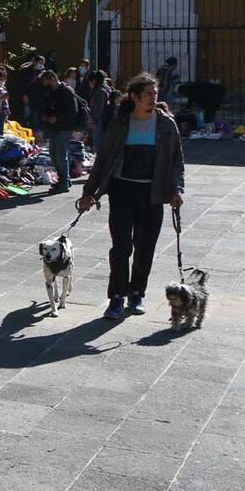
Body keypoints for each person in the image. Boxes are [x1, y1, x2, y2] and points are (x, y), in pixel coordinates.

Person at [79, 73, 185, 320]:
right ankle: (116, 298)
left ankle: (137, 293)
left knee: (145, 248)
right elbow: (103, 160)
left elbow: (177, 162)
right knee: (121, 248)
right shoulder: (121, 123)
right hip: (122, 191)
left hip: (153, 193)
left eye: (155, 93)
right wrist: (89, 193)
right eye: (148, 94)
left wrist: (177, 189)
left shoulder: (166, 124)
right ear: (134, 97)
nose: (153, 97)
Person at [40, 71, 78, 194]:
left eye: (46, 81)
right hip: (53, 127)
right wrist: (45, 116)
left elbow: (72, 111)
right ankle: (65, 179)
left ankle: (63, 183)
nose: (45, 84)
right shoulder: (52, 92)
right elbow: (49, 106)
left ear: (51, 79)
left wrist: (58, 117)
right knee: (54, 154)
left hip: (64, 127)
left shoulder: (66, 91)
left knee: (60, 155)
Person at [88, 70, 111, 150]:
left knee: (98, 143)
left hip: (100, 119)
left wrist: (94, 120)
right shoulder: (105, 89)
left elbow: (99, 108)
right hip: (103, 118)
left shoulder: (99, 91)